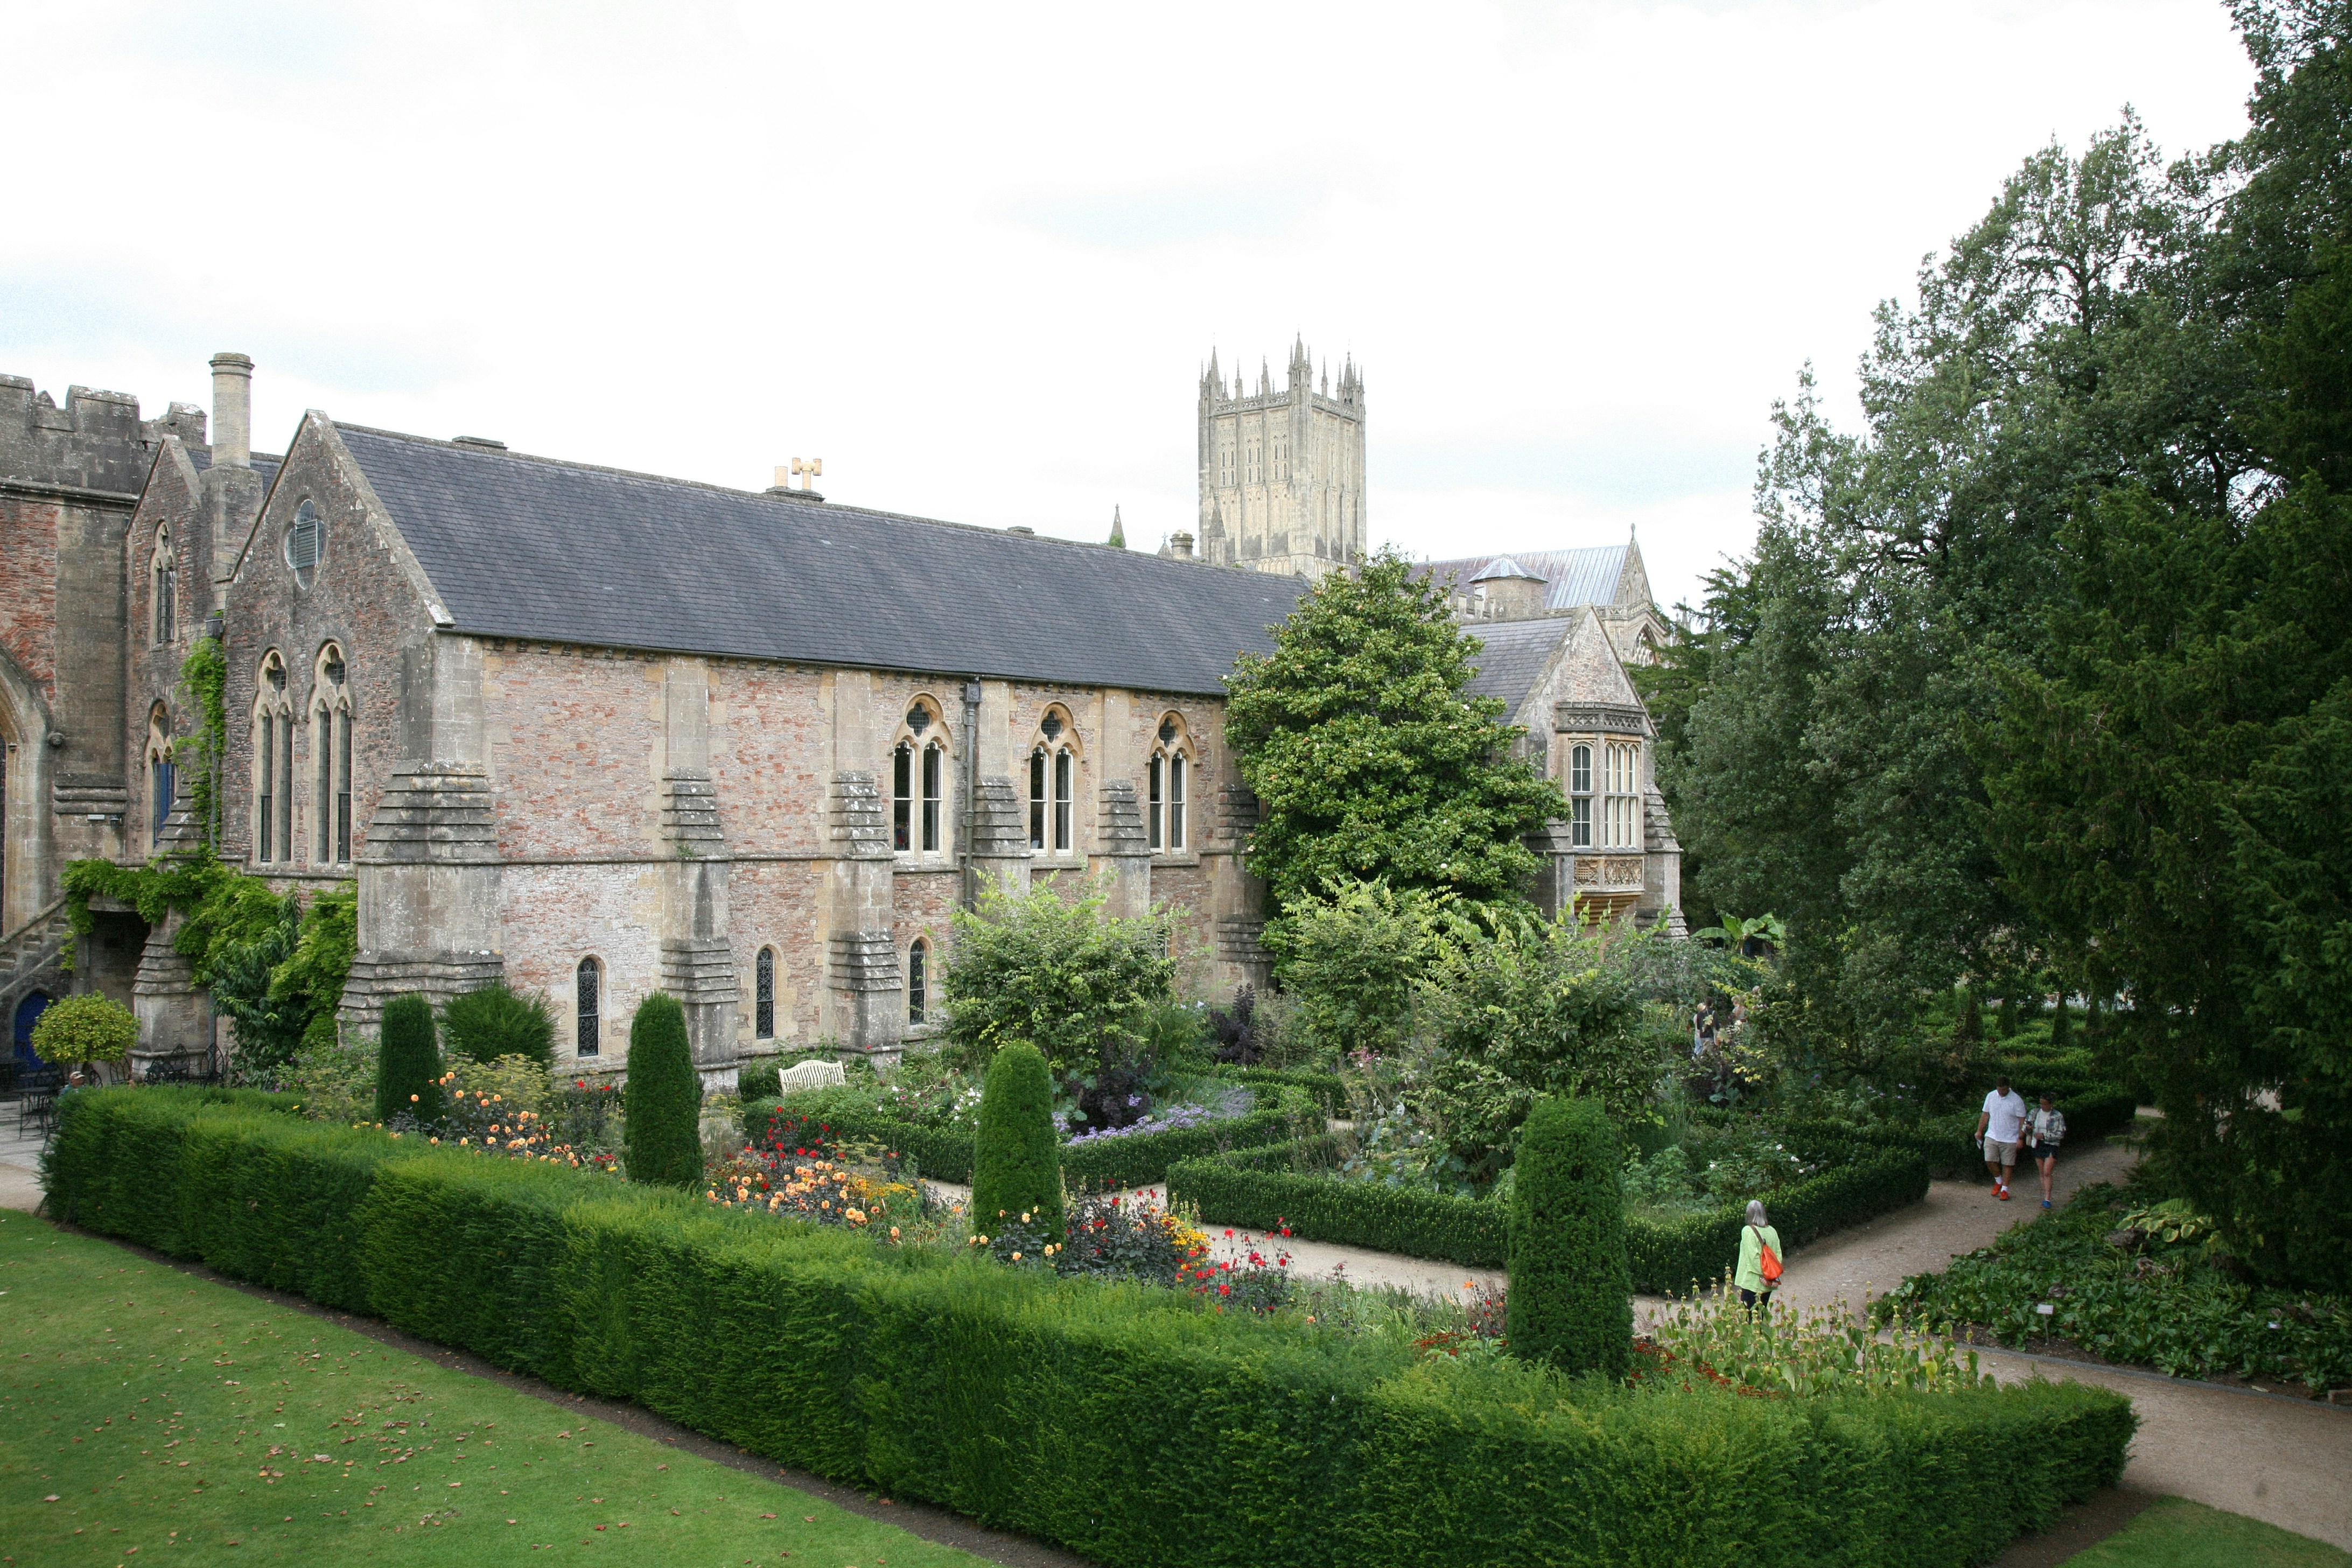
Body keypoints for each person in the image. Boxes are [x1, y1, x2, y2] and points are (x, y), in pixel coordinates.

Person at [1975, 1075, 2028, 1201]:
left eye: (2003, 1090)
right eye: (1999, 1090)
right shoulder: (1991, 1096)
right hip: (1992, 1134)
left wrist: (2021, 1138)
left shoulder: (2016, 1100)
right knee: (1989, 1159)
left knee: (2008, 1164)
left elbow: (2022, 1121)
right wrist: (1980, 1131)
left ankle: (2005, 1189)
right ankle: (1998, 1180)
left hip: (2010, 1138)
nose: (2001, 1092)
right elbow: (1985, 1115)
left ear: (2008, 1088)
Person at [1735, 1199, 1781, 1314]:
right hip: (1769, 1283)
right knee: (1761, 1316)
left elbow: (1753, 1258)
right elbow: (1778, 1257)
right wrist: (1770, 1276)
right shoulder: (1772, 1231)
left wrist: (1763, 1276)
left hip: (1753, 1282)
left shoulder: (1748, 1231)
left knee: (1749, 1318)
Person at [2026, 1092, 2067, 1209]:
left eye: (2045, 1104)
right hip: (2038, 1144)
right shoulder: (2034, 1113)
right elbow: (2026, 1127)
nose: (2043, 1106)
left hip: (2051, 1144)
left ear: (2050, 1104)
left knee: (2047, 1171)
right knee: (2042, 1172)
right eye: (2041, 1104)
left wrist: (2044, 1136)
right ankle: (2046, 1196)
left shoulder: (2057, 1116)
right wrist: (2029, 1129)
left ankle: (2048, 1197)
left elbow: (2061, 1133)